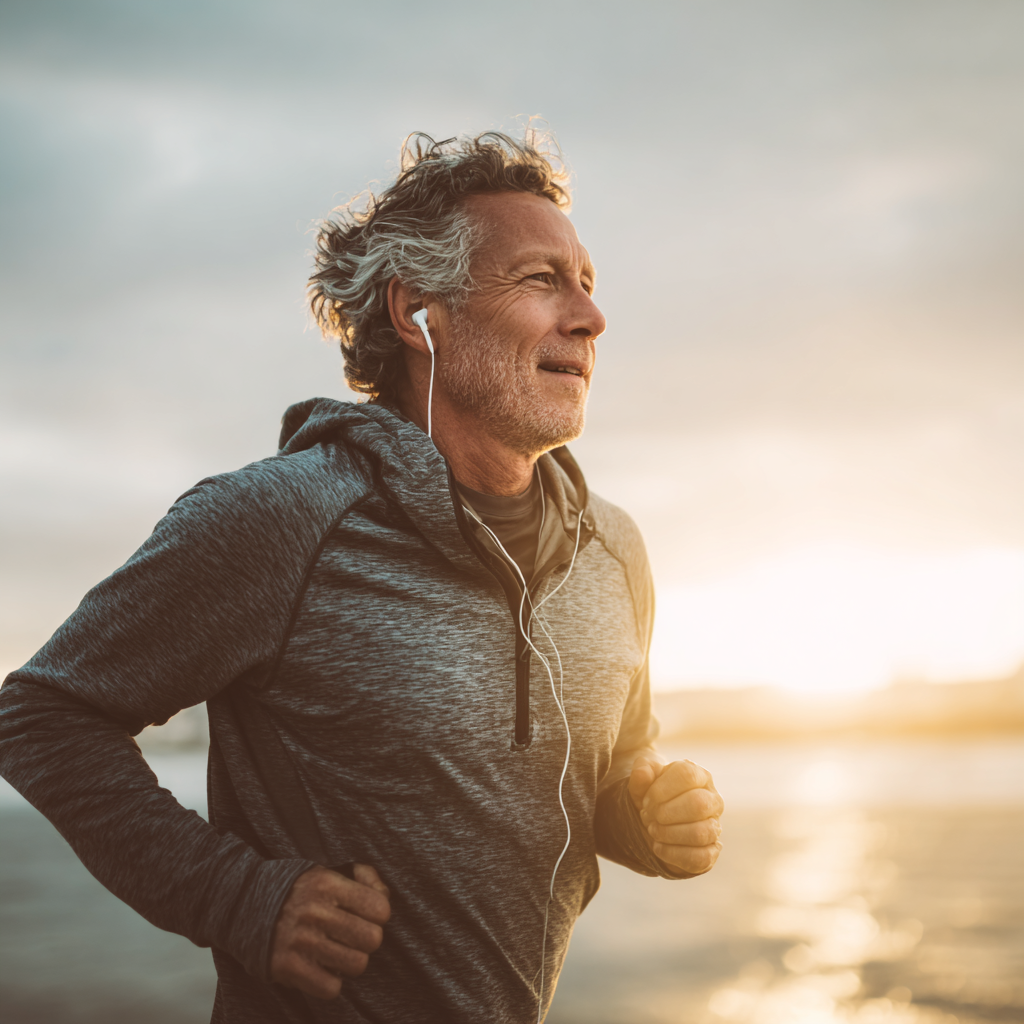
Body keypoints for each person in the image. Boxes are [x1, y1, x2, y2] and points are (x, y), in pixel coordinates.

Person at [0, 130, 723, 1023]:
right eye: (542, 280)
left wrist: (644, 819)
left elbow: (607, 768)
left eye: (589, 284)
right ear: (417, 311)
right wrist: (240, 900)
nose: (590, 317)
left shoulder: (615, 551)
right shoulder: (281, 519)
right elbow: (41, 715)